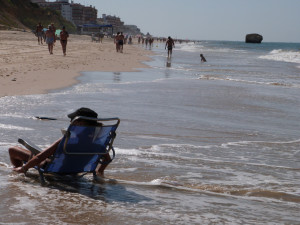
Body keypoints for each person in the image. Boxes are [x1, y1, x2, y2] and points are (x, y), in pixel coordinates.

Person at [8, 108, 111, 177]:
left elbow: (40, 157)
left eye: (72, 119)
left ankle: (19, 173)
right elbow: (107, 158)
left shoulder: (66, 140)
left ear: (78, 122)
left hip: (54, 168)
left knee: (13, 150)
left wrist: (24, 168)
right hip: (75, 171)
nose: (70, 122)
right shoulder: (97, 142)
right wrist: (100, 171)